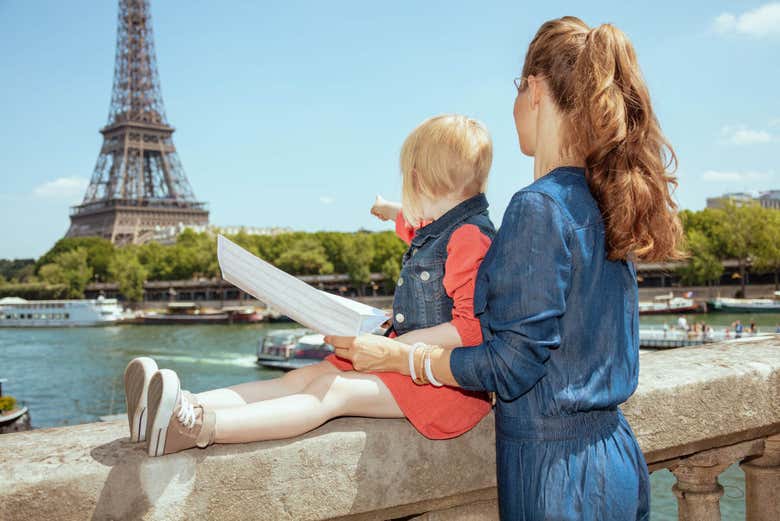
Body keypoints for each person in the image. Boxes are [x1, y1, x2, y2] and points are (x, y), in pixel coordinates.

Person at [328, 17, 683, 520]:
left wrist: (400, 357)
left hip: (555, 475)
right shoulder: (605, 199)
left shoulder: (537, 205)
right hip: (616, 460)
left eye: (517, 87)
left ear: (534, 90)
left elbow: (511, 365)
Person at [123, 114, 496, 456]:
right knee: (303, 376)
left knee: (332, 391)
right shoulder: (446, 228)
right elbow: (416, 224)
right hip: (411, 366)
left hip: (445, 386)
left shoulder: (469, 238)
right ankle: (178, 407)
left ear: (417, 180)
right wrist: (388, 209)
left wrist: (388, 348)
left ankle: (199, 427)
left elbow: (470, 329)